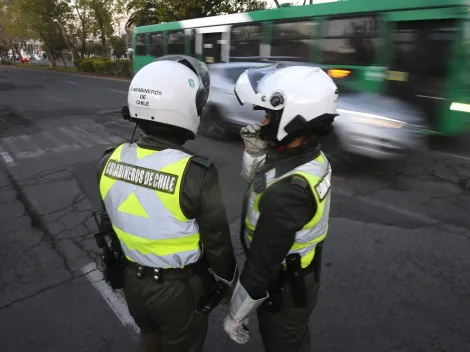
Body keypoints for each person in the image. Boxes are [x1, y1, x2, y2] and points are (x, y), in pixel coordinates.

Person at [96, 55, 237, 352]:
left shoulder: (108, 160)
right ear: (181, 109)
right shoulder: (195, 173)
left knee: (150, 337)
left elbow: (108, 220)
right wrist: (226, 282)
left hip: (133, 282)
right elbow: (218, 243)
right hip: (178, 291)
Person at [223, 64, 338, 352]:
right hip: (299, 274)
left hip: (284, 285)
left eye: (269, 115)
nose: (263, 121)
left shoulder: (291, 190)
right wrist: (254, 152)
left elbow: (262, 265)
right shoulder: (306, 156)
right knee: (296, 338)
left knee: (284, 343)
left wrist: (237, 314)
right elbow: (259, 182)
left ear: (293, 117)